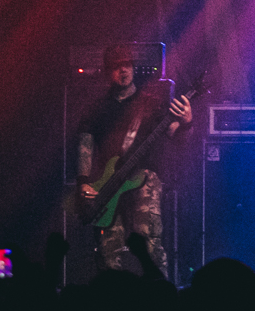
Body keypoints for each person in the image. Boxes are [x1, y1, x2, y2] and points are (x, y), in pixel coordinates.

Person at [74, 45, 193, 274]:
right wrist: (83, 181)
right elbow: (85, 144)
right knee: (109, 248)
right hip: (109, 183)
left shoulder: (151, 103)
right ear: (108, 71)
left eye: (127, 65)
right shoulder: (97, 108)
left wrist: (187, 122)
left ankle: (160, 295)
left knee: (149, 240)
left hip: (144, 178)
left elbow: (175, 135)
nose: (123, 71)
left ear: (133, 68)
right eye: (117, 67)